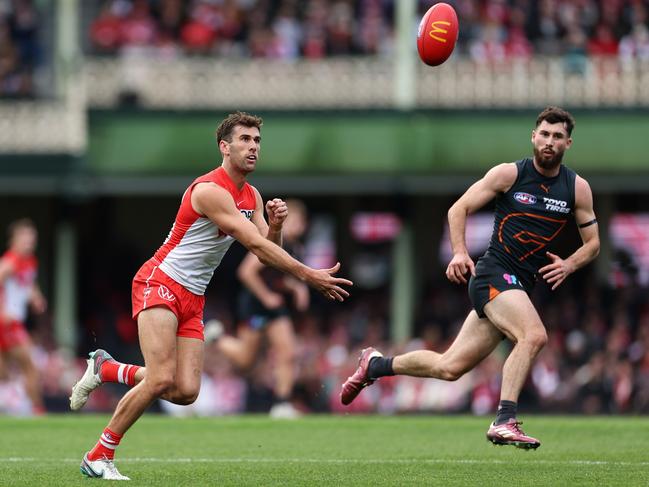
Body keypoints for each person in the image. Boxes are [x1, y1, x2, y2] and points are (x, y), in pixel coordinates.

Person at [69, 112, 352, 480]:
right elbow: (253, 244)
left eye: (257, 141)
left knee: (186, 392)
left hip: (193, 297)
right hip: (161, 282)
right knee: (159, 379)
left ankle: (107, 369)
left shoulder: (251, 195)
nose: (253, 147)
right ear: (224, 147)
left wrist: (277, 226)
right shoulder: (209, 190)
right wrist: (309, 274)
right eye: (245, 140)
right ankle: (98, 454)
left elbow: (264, 249)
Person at [340, 106, 600, 450]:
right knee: (534, 335)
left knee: (449, 367)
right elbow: (457, 208)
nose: (549, 142)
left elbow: (594, 244)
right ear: (533, 137)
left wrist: (569, 264)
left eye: (557, 136)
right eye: (544, 134)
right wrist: (460, 252)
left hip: (518, 284)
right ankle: (505, 419)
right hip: (493, 272)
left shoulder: (577, 188)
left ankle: (375, 365)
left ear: (568, 143)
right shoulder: (509, 174)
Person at [204, 199, 309, 419]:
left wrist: (296, 288)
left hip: (275, 307)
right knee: (245, 360)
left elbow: (278, 276)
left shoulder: (295, 247)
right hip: (255, 305)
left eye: (300, 221)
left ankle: (281, 404)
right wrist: (267, 296)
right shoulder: (271, 242)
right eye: (293, 221)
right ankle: (218, 337)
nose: (297, 226)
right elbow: (246, 272)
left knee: (287, 352)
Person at [0, 218, 47, 415]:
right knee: (30, 365)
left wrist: (36, 297)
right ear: (14, 240)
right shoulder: (9, 262)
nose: (30, 241)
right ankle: (37, 410)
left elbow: (27, 284)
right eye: (25, 237)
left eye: (32, 237)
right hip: (8, 323)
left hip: (14, 323)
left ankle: (23, 407)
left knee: (3, 371)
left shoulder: (29, 262)